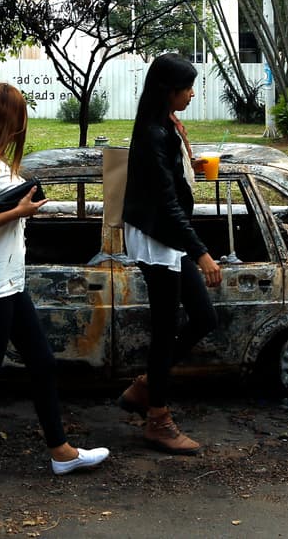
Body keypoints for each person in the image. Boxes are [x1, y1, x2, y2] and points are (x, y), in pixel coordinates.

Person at [0, 83, 108, 493]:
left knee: (42, 362)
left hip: (8, 284)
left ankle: (61, 452)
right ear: (11, 120)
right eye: (22, 113)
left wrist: (18, 211)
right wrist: (19, 211)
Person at [116, 53, 220, 455]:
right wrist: (201, 253)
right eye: (187, 87)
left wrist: (186, 166)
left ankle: (145, 387)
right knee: (164, 328)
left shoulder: (165, 126)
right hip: (158, 236)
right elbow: (166, 202)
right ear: (168, 91)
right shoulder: (151, 132)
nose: (192, 93)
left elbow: (169, 182)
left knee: (203, 318)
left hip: (169, 233)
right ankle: (157, 419)